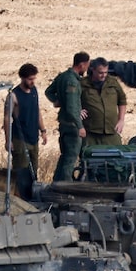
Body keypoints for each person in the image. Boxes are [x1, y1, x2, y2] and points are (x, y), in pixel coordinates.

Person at [4, 63, 48, 197]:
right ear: (22, 78)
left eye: (34, 78)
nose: (32, 82)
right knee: (21, 174)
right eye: (30, 79)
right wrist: (8, 140)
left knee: (33, 173)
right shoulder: (13, 96)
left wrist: (43, 130)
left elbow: (37, 111)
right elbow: (7, 118)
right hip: (20, 139)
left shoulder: (34, 91)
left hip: (33, 138)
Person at [46, 51, 90, 182]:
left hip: (64, 123)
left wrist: (57, 101)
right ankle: (65, 185)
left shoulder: (63, 76)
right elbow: (71, 108)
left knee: (64, 156)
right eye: (86, 65)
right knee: (70, 158)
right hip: (72, 125)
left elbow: (49, 91)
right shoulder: (72, 82)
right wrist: (80, 126)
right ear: (81, 65)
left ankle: (56, 183)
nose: (86, 69)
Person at [81, 57, 128, 147]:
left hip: (111, 131)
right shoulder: (83, 84)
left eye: (106, 72)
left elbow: (122, 100)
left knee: (116, 153)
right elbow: (72, 101)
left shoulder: (113, 82)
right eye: (100, 73)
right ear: (93, 70)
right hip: (91, 132)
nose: (103, 75)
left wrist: (121, 120)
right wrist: (78, 111)